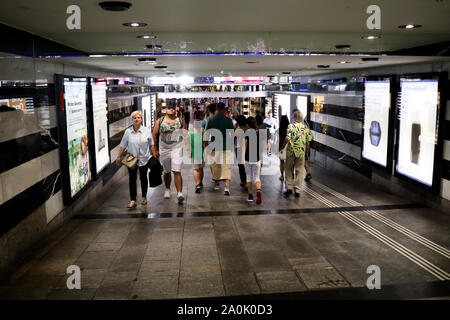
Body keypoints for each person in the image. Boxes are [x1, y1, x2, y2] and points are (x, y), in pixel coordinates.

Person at [116, 110, 154, 208]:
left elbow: (151, 145)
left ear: (141, 119)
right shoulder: (128, 132)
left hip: (144, 159)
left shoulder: (146, 131)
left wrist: (154, 156)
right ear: (132, 120)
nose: (136, 119)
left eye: (138, 117)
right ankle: (133, 200)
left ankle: (144, 197)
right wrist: (119, 156)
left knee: (143, 178)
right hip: (131, 159)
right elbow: (123, 145)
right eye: (134, 118)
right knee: (132, 179)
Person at [152, 103, 186, 204]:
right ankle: (167, 189)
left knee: (177, 170)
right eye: (169, 108)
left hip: (177, 148)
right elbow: (154, 134)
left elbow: (184, 134)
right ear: (165, 109)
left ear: (176, 109)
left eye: (173, 108)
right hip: (164, 148)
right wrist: (156, 149)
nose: (171, 109)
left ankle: (179, 193)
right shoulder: (160, 121)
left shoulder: (180, 120)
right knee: (167, 171)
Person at [204, 102, 234, 195]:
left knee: (215, 166)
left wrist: (206, 146)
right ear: (224, 109)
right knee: (227, 166)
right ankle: (227, 187)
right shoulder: (228, 120)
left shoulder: (211, 120)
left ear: (216, 109)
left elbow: (206, 134)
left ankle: (217, 184)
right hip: (226, 146)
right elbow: (232, 134)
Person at [282, 110, 312, 198]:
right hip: (301, 152)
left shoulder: (290, 126)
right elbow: (308, 142)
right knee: (300, 171)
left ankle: (289, 189)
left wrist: (282, 147)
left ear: (294, 117)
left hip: (291, 151)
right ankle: (297, 190)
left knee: (288, 169)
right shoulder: (305, 128)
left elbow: (287, 138)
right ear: (302, 118)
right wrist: (306, 153)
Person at [243, 116, 262, 204]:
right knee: (257, 177)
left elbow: (245, 146)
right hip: (257, 158)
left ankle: (250, 196)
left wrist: (242, 158)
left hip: (248, 157)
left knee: (249, 177)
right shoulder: (259, 133)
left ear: (247, 124)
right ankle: (258, 191)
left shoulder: (247, 133)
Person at [189, 120, 205, 193]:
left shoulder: (190, 134)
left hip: (194, 154)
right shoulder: (203, 134)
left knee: (196, 169)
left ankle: (197, 184)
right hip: (202, 154)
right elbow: (205, 145)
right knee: (201, 168)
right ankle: (200, 182)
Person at [235, 115, 249, 188]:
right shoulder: (249, 128)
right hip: (249, 149)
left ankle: (243, 181)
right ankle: (248, 180)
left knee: (241, 165)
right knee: (248, 164)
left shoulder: (238, 130)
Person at [278, 115, 290, 181]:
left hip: (282, 146)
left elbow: (279, 139)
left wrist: (279, 147)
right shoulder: (290, 128)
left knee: (281, 161)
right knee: (289, 162)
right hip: (289, 146)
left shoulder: (280, 129)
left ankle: (282, 176)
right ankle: (290, 175)